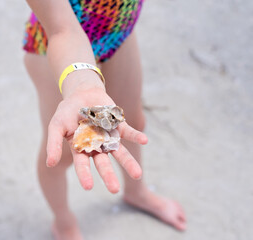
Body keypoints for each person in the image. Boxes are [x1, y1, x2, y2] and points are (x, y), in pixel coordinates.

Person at [23, 0, 187, 239]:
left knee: (130, 122)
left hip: (117, 31)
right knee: (61, 153)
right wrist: (83, 84)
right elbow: (63, 29)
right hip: (56, 42)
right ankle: (64, 222)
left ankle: (136, 191)